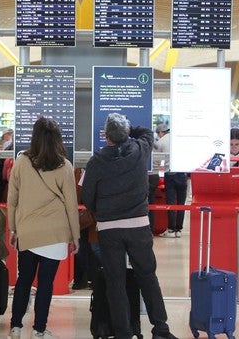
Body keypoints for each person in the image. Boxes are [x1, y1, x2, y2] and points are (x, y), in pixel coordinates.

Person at [82, 113, 178, 339]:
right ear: (126, 134)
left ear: (106, 136)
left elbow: (88, 197)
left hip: (109, 228)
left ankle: (123, 333)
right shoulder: (139, 151)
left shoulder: (96, 162)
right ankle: (161, 328)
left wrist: (103, 210)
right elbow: (146, 132)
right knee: (147, 276)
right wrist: (127, 130)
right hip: (138, 225)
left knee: (115, 282)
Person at [7, 117, 80, 339]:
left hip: (28, 230)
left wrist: (13, 228)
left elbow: (12, 198)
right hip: (56, 233)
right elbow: (71, 204)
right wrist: (75, 236)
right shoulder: (65, 166)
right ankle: (39, 329)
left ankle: (16, 327)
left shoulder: (22, 161)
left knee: (24, 280)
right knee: (46, 284)